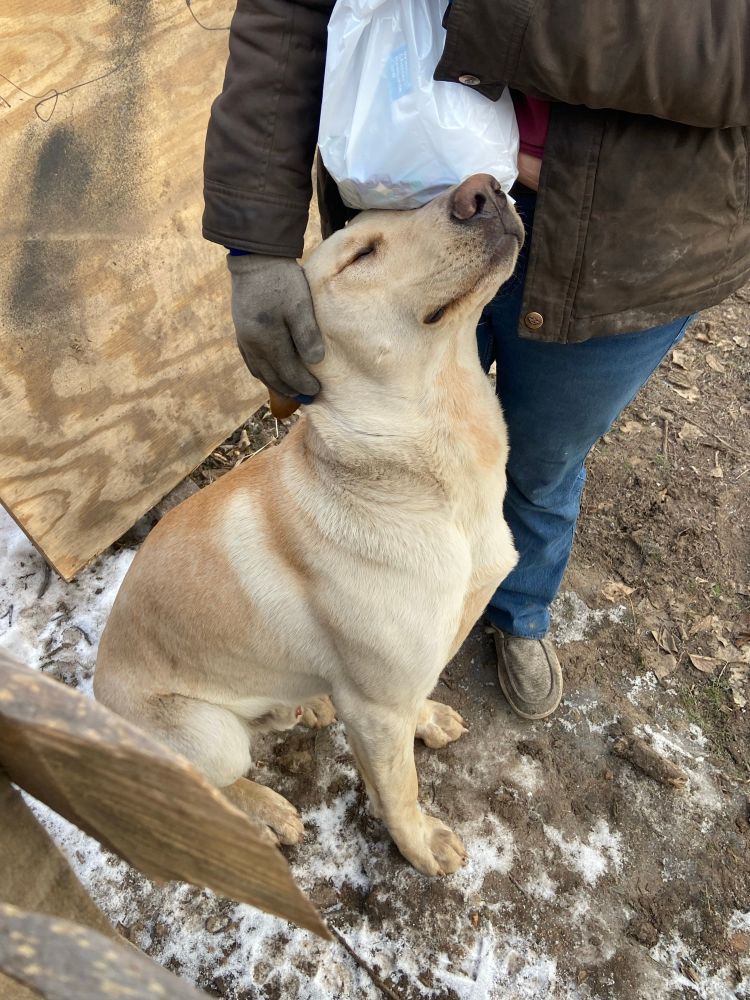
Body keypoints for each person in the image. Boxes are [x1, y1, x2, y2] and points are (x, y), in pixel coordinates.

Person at [203, 1, 750, 720]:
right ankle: (374, 622)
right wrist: (255, 238)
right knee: (386, 459)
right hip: (406, 213)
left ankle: (516, 611)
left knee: (541, 465)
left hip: (630, 245)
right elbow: (290, 9)